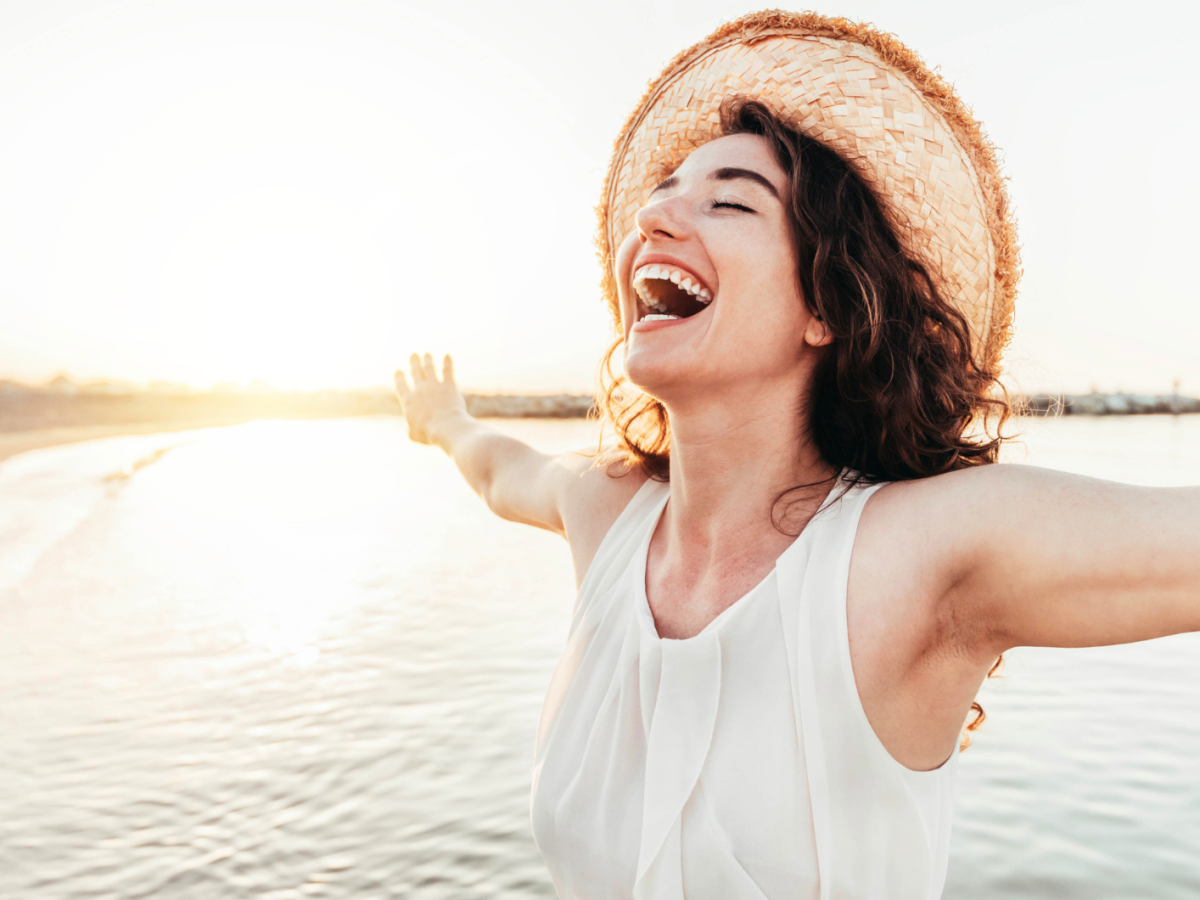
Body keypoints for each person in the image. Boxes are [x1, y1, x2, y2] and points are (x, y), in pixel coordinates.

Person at [393, 11, 1200, 900]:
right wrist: (443, 421)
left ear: (829, 307)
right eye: (663, 190)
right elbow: (503, 469)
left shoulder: (913, 557)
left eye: (728, 200)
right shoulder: (609, 513)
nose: (657, 213)